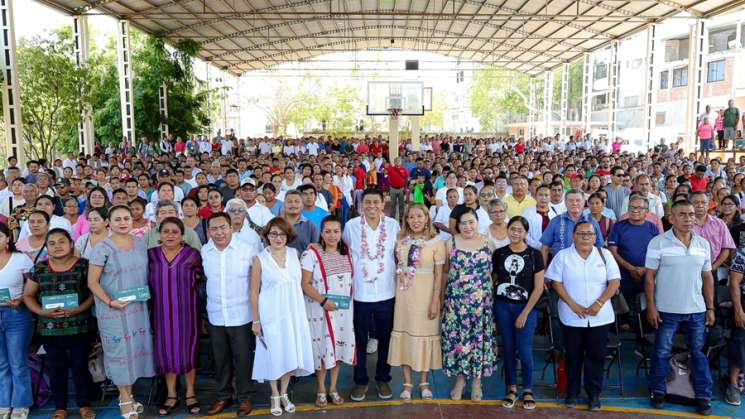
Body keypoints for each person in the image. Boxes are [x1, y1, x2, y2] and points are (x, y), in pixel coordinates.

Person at [644, 200, 715, 416]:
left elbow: (707, 277)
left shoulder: (703, 244)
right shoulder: (658, 243)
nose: (688, 219)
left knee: (699, 353)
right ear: (671, 218)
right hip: (667, 309)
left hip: (696, 309)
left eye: (691, 214)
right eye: (682, 214)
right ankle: (658, 391)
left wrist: (710, 307)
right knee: (662, 352)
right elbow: (649, 277)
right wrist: (651, 307)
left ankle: (703, 395)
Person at [86, 205, 155, 419]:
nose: (123, 222)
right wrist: (109, 301)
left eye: (127, 218)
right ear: (109, 222)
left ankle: (130, 395)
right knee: (119, 353)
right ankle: (124, 398)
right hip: (113, 311)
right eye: (117, 219)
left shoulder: (140, 243)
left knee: (135, 351)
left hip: (138, 309)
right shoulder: (102, 248)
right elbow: (92, 282)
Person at [546, 221, 620, 411]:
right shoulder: (563, 256)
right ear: (573, 236)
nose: (585, 237)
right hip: (571, 316)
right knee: (572, 356)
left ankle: (593, 395)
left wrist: (599, 303)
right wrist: (573, 305)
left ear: (596, 237)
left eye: (590, 233)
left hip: (600, 316)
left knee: (596, 356)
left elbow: (614, 282)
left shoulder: (605, 255)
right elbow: (555, 282)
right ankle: (572, 393)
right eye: (581, 233)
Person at [23, 228, 97, 419]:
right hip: (49, 330)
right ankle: (60, 407)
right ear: (47, 247)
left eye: (61, 241)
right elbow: (28, 295)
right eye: (52, 243)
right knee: (56, 368)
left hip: (79, 326)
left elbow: (93, 294)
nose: (57, 246)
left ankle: (84, 405)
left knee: (80, 366)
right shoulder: (39, 268)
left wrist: (78, 309)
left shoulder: (84, 265)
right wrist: (42, 312)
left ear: (71, 243)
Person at [251, 218, 314, 416]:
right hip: (271, 313)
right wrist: (256, 320)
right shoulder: (260, 259)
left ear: (288, 236)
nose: (278, 238)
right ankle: (274, 394)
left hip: (293, 312)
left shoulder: (295, 254)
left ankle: (285, 392)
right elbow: (253, 292)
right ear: (267, 236)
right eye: (273, 234)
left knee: (289, 353)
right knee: (273, 354)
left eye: (282, 234)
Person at [342, 188, 400, 402]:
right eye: (367, 202)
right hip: (360, 293)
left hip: (387, 291)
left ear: (383, 203)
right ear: (361, 204)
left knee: (386, 338)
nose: (372, 206)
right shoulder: (351, 227)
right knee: (359, 339)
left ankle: (383, 377)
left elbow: (399, 253)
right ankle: (360, 381)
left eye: (376, 202)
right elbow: (342, 250)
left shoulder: (393, 225)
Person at [201, 212, 258, 416]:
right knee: (221, 359)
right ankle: (223, 396)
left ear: (231, 227)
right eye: (214, 229)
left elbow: (257, 282)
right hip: (216, 315)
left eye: (222, 227)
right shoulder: (205, 251)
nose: (219, 232)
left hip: (242, 315)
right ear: (208, 231)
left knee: (243, 359)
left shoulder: (247, 250)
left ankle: (244, 397)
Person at [387, 204, 445, 401]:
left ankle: (424, 381)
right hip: (404, 296)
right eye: (411, 217)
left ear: (427, 218)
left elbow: (439, 275)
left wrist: (436, 300)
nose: (415, 220)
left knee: (424, 336)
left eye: (419, 216)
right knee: (406, 336)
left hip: (426, 295)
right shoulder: (400, 239)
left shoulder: (436, 241)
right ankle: (407, 383)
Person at [147, 218, 204, 415]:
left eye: (175, 232)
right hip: (161, 314)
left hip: (188, 313)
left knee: (188, 351)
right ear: (159, 234)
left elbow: (204, 278)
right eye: (166, 231)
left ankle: (190, 392)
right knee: (167, 352)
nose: (170, 235)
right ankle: (171, 394)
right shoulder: (151, 255)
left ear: (182, 235)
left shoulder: (193, 255)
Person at [441, 209, 496, 401]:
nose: (467, 226)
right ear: (458, 225)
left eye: (471, 222)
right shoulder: (451, 242)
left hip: (481, 304)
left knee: (478, 340)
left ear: (478, 222)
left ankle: (476, 382)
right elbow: (446, 272)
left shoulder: (488, 242)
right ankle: (460, 380)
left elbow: (494, 273)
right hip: (457, 304)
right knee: (459, 342)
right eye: (463, 223)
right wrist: (441, 299)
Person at [301, 216, 355, 407]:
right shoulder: (311, 254)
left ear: (341, 233)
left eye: (336, 231)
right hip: (320, 310)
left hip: (342, 312)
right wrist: (323, 300)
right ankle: (321, 389)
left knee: (337, 350)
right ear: (321, 233)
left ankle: (333, 388)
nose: (332, 235)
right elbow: (305, 284)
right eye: (328, 231)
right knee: (323, 350)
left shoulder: (346, 253)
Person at [493, 216, 545, 410]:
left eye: (519, 230)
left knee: (524, 351)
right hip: (503, 307)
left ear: (526, 233)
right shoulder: (499, 253)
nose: (515, 233)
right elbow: (494, 280)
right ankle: (512, 387)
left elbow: (538, 288)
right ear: (507, 230)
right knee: (507, 349)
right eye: (512, 229)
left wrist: (525, 312)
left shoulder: (534, 255)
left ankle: (528, 389)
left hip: (525, 308)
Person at [0, 222, 34, 419]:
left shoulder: (21, 259)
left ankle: (21, 404)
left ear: (7, 239)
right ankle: (4, 403)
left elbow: (32, 287)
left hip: (17, 314)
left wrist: (21, 299)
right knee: (1, 363)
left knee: (17, 361)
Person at [607, 194, 659, 302]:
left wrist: (644, 269)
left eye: (639, 208)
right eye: (632, 207)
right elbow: (612, 251)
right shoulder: (618, 226)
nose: (635, 210)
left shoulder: (653, 227)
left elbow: (659, 253)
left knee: (648, 309)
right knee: (626, 311)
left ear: (646, 211)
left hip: (648, 275)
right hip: (624, 276)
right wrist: (631, 268)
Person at [540, 189, 604, 264]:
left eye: (578, 200)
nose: (574, 203)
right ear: (565, 202)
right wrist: (543, 271)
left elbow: (599, 247)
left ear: (584, 202)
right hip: (560, 268)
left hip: (587, 267)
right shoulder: (555, 221)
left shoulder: (592, 222)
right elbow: (545, 248)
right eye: (571, 200)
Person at [728, 250, 745, 406]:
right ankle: (732, 384)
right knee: (739, 340)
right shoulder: (743, 252)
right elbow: (734, 282)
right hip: (744, 303)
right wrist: (738, 310)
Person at [523, 185, 554, 249]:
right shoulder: (527, 213)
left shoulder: (554, 213)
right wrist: (538, 246)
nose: (543, 198)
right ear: (535, 197)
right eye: (540, 195)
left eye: (546, 195)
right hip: (533, 250)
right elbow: (524, 233)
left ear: (550, 197)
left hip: (551, 251)